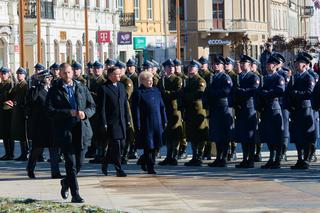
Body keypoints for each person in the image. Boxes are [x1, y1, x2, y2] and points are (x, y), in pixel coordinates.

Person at [46, 63, 95, 203]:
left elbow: (92, 106)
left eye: (69, 72)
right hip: (65, 131)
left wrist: (85, 114)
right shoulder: (55, 90)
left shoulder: (81, 87)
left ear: (72, 73)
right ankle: (75, 194)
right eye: (64, 73)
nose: (67, 75)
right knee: (70, 163)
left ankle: (66, 182)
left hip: (82, 130)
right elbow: (49, 110)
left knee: (79, 163)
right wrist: (68, 113)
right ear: (60, 74)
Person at [26, 70, 62, 179]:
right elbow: (31, 101)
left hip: (52, 123)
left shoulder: (54, 88)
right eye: (44, 77)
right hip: (40, 124)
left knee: (54, 148)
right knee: (37, 149)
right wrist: (39, 86)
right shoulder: (35, 89)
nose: (47, 79)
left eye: (48, 77)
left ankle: (55, 172)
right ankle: (30, 168)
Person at [131, 71, 167, 174]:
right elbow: (136, 110)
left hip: (157, 122)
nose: (151, 82)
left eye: (151, 80)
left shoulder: (156, 91)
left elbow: (162, 106)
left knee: (157, 145)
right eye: (148, 81)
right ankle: (150, 166)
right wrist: (137, 123)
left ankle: (144, 160)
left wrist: (164, 119)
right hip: (146, 123)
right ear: (142, 81)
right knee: (148, 146)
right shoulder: (138, 92)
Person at [97, 66, 130, 177]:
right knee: (116, 145)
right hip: (112, 122)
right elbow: (101, 108)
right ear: (110, 75)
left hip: (122, 121)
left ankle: (105, 162)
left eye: (120, 73)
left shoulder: (121, 86)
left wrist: (128, 119)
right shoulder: (104, 88)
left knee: (121, 144)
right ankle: (118, 169)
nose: (119, 76)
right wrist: (104, 122)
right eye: (116, 74)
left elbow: (125, 104)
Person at [287, 53, 315, 169]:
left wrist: (296, 94)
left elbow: (309, 92)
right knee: (298, 135)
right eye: (296, 62)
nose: (297, 64)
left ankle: (306, 159)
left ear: (305, 65)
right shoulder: (294, 77)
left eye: (299, 63)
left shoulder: (309, 77)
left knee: (306, 135)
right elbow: (288, 91)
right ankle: (299, 158)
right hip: (296, 109)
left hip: (305, 109)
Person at [256, 55, 285, 169]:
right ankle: (271, 158)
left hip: (274, 108)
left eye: (271, 64)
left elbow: (280, 90)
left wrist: (266, 93)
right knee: (268, 135)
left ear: (275, 65)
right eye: (267, 64)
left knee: (276, 135)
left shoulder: (279, 78)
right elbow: (258, 91)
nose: (268, 65)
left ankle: (277, 159)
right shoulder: (265, 78)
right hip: (265, 109)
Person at [205, 56, 233, 167]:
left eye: (217, 64)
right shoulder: (213, 77)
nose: (215, 65)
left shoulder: (225, 77)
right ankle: (218, 157)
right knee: (216, 134)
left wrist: (212, 93)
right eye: (214, 63)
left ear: (222, 65)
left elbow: (226, 91)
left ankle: (224, 158)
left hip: (223, 108)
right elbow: (207, 91)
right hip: (215, 108)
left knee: (224, 134)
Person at [233, 55, 260, 168]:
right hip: (240, 108)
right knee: (243, 135)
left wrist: (241, 91)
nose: (242, 65)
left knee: (250, 135)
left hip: (249, 108)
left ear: (249, 65)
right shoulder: (239, 77)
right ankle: (244, 158)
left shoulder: (253, 77)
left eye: (244, 63)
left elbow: (253, 90)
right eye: (241, 63)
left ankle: (251, 159)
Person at [181, 60, 208, 166]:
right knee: (192, 134)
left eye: (193, 67)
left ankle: (199, 156)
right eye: (189, 67)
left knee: (200, 134)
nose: (190, 69)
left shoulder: (200, 80)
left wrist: (186, 96)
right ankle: (194, 155)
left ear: (197, 69)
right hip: (190, 110)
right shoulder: (188, 80)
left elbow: (199, 93)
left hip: (198, 110)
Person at [158, 59, 183, 166]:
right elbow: (159, 92)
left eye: (172, 66)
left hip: (174, 110)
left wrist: (165, 93)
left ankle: (174, 155)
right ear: (165, 68)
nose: (171, 68)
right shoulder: (162, 80)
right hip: (165, 109)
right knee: (168, 133)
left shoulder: (177, 79)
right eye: (169, 67)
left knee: (175, 133)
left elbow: (177, 93)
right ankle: (168, 155)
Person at [87, 61, 106, 164]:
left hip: (100, 110)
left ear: (102, 69)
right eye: (95, 68)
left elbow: (101, 96)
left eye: (98, 68)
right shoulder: (91, 80)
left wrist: (91, 95)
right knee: (95, 134)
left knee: (101, 134)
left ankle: (102, 154)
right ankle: (97, 153)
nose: (96, 70)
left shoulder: (103, 81)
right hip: (92, 111)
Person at [10, 67, 29, 161]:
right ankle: (23, 153)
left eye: (20, 74)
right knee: (20, 134)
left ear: (24, 75)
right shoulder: (18, 85)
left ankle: (25, 153)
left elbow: (26, 99)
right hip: (17, 111)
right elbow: (12, 94)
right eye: (17, 74)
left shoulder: (25, 85)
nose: (18, 75)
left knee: (23, 134)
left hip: (22, 111)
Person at [173, 58, 188, 159]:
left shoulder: (184, 78)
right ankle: (176, 148)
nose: (176, 68)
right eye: (174, 66)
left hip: (183, 106)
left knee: (183, 127)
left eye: (178, 66)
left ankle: (183, 147)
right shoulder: (173, 78)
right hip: (176, 106)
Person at [0, 67, 15, 160]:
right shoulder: (2, 84)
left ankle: (10, 154)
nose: (2, 75)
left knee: (9, 133)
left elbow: (9, 96)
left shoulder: (10, 83)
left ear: (8, 74)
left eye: (3, 74)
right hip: (2, 110)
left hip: (8, 111)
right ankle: (7, 153)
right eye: (1, 74)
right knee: (4, 133)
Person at [224, 57, 238, 161]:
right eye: (225, 64)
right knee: (225, 129)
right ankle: (227, 150)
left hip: (231, 105)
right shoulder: (224, 75)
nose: (226, 66)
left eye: (228, 64)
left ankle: (233, 150)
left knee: (231, 128)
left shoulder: (234, 76)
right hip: (225, 106)